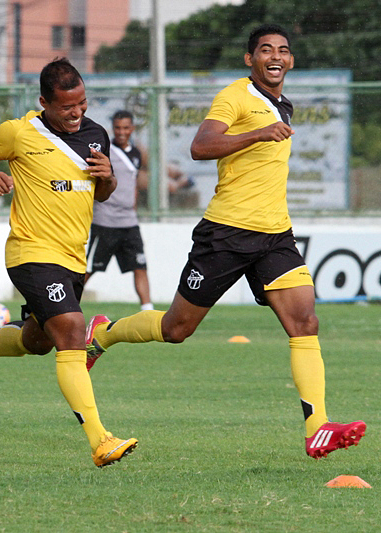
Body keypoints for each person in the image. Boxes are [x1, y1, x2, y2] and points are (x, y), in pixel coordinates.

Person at [84, 24, 365, 459]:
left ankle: (318, 428)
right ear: (249, 59)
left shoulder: (282, 104)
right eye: (266, 50)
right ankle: (104, 333)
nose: (276, 56)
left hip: (275, 236)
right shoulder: (236, 95)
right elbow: (200, 146)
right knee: (176, 329)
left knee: (305, 322)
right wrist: (255, 134)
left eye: (283, 51)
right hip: (226, 234)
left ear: (290, 61)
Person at [0, 58, 138, 468]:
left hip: (72, 257)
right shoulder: (20, 132)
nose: (77, 112)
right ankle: (100, 441)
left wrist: (109, 176)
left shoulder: (96, 135)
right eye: (67, 107)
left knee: (39, 340)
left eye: (82, 103)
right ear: (44, 102)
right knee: (72, 331)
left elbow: (101, 194)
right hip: (31, 252)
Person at [85, 110, 153, 311]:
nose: (122, 132)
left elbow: (133, 185)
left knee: (140, 266)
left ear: (132, 129)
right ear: (112, 128)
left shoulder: (137, 153)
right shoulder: (105, 151)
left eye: (126, 128)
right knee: (88, 269)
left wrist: (133, 207)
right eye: (118, 128)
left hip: (129, 222)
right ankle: (66, 308)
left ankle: (147, 311)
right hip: (105, 221)